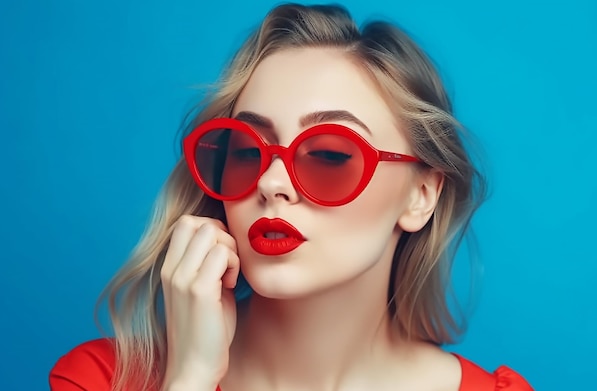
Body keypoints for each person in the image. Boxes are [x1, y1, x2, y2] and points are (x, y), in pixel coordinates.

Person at [49, 3, 533, 390]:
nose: (270, 182)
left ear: (421, 195)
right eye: (247, 150)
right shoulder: (100, 380)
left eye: (327, 155)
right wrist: (190, 378)